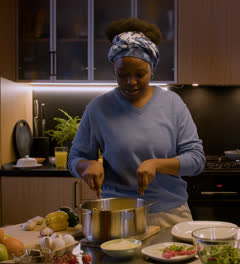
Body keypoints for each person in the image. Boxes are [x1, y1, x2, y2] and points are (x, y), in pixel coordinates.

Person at [68, 17, 205, 228]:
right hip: (115, 215)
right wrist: (86, 165)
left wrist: (157, 164)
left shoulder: (173, 104)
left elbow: (196, 160)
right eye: (123, 75)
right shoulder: (98, 108)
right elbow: (75, 157)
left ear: (152, 70)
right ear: (114, 71)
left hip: (170, 215)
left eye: (139, 74)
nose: (130, 82)